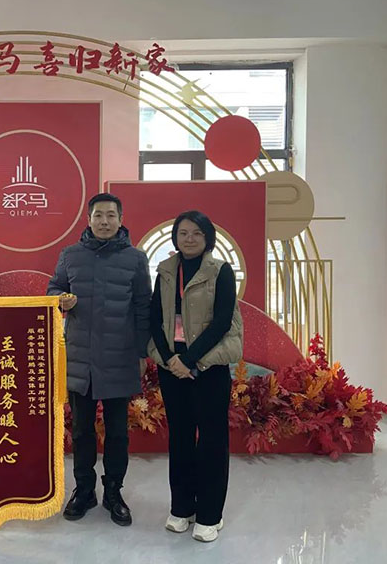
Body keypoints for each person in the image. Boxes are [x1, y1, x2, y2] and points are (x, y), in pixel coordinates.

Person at [47, 192, 151, 526]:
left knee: (118, 432)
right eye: (98, 216)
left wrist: (142, 352)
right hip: (81, 359)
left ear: (120, 219)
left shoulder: (135, 259)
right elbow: (52, 289)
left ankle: (114, 492)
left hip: (120, 356)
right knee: (81, 431)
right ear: (88, 219)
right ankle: (84, 490)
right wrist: (60, 300)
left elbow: (143, 308)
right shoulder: (70, 255)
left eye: (110, 215)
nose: (104, 222)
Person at [148, 210, 243, 542]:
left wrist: (190, 360)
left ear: (207, 238)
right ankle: (182, 508)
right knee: (180, 438)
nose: (189, 239)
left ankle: (210, 515)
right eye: (183, 233)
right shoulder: (165, 271)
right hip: (172, 367)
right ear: (175, 237)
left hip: (208, 367)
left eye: (196, 233)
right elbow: (154, 318)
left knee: (212, 441)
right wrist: (169, 359)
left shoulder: (221, 271)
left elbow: (222, 322)